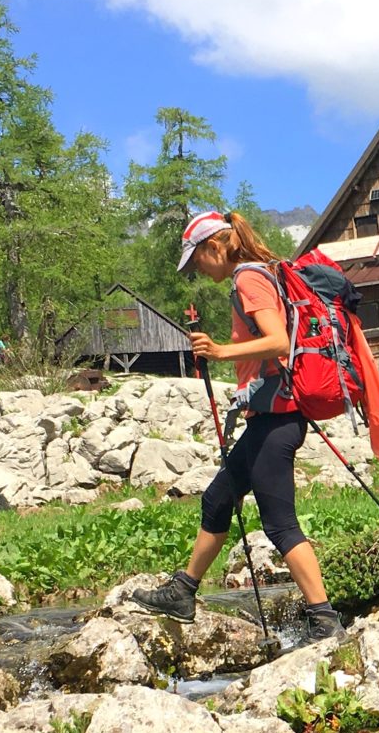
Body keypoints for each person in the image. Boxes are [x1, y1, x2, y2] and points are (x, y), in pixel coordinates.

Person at [129, 210, 344, 639]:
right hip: (271, 419)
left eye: (197, 261)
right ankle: (184, 590)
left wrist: (220, 352)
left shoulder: (248, 278)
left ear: (214, 247)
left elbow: (279, 340)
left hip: (277, 421)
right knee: (218, 497)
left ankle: (324, 619)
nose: (197, 270)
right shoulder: (258, 274)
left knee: (280, 523)